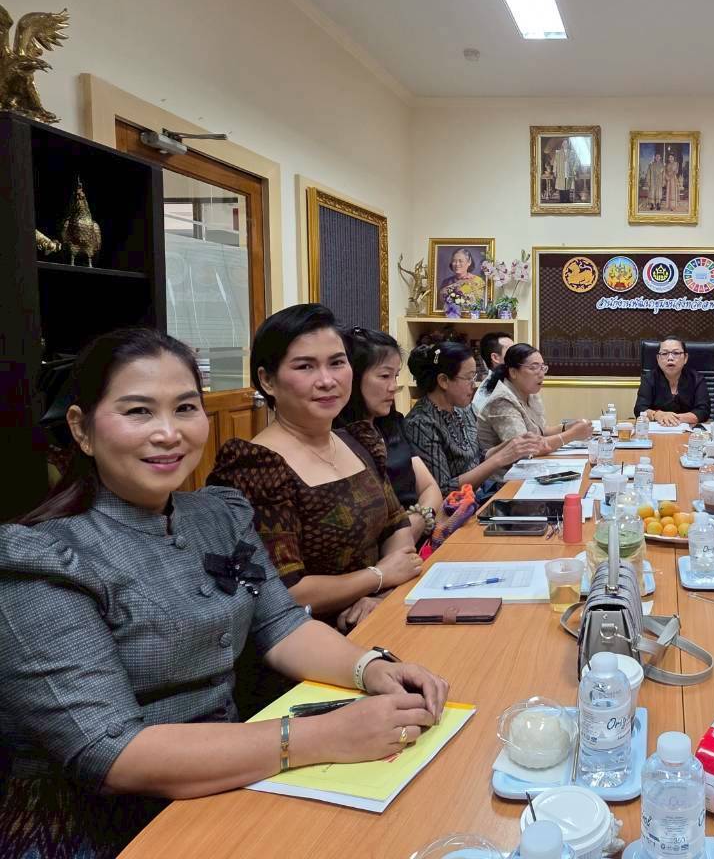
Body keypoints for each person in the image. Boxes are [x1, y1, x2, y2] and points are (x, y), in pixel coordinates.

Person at [0, 328, 448, 857]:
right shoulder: (40, 559)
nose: (168, 433)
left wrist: (370, 667)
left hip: (233, 772)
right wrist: (320, 737)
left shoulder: (217, 513)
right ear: (82, 429)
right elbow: (108, 750)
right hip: (102, 824)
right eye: (139, 412)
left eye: (185, 408)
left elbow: (279, 624)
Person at [208, 304, 421, 633]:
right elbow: (284, 589)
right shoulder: (255, 467)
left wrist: (378, 594)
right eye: (305, 366)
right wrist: (377, 577)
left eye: (337, 363)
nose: (327, 380)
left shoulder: (360, 440)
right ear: (267, 380)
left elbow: (397, 527)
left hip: (378, 616)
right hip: (303, 642)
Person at [337, 327, 443, 549]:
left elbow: (430, 488)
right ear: (353, 377)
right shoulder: (337, 436)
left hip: (415, 541)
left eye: (395, 376)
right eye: (384, 376)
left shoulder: (392, 423)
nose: (393, 387)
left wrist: (417, 522)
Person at [403, 341, 544, 494]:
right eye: (469, 378)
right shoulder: (421, 423)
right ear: (443, 381)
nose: (474, 384)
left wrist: (511, 445)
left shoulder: (462, 409)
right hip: (454, 510)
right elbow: (442, 490)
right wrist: (498, 459)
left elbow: (477, 457)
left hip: (479, 495)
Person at [475, 343, 592, 475]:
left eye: (543, 368)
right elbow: (525, 449)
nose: (541, 374)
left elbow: (540, 431)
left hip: (527, 471)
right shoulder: (501, 401)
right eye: (534, 368)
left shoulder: (530, 393)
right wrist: (572, 434)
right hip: (502, 481)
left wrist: (566, 427)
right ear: (513, 372)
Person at [635, 336, 711, 426]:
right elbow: (640, 409)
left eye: (676, 353)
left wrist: (672, 418)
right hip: (657, 432)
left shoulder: (697, 379)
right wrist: (658, 415)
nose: (670, 358)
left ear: (685, 358)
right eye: (664, 353)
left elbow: (703, 411)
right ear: (658, 359)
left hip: (690, 433)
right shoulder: (649, 378)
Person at [471, 330, 514, 416]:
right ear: (495, 357)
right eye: (511, 351)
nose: (517, 354)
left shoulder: (511, 382)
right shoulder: (489, 394)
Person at [436, 247, 486, 311]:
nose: (457, 264)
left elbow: (479, 306)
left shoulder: (478, 281)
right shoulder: (446, 282)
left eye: (460, 261)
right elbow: (439, 304)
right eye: (454, 261)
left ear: (469, 262)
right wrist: (457, 284)